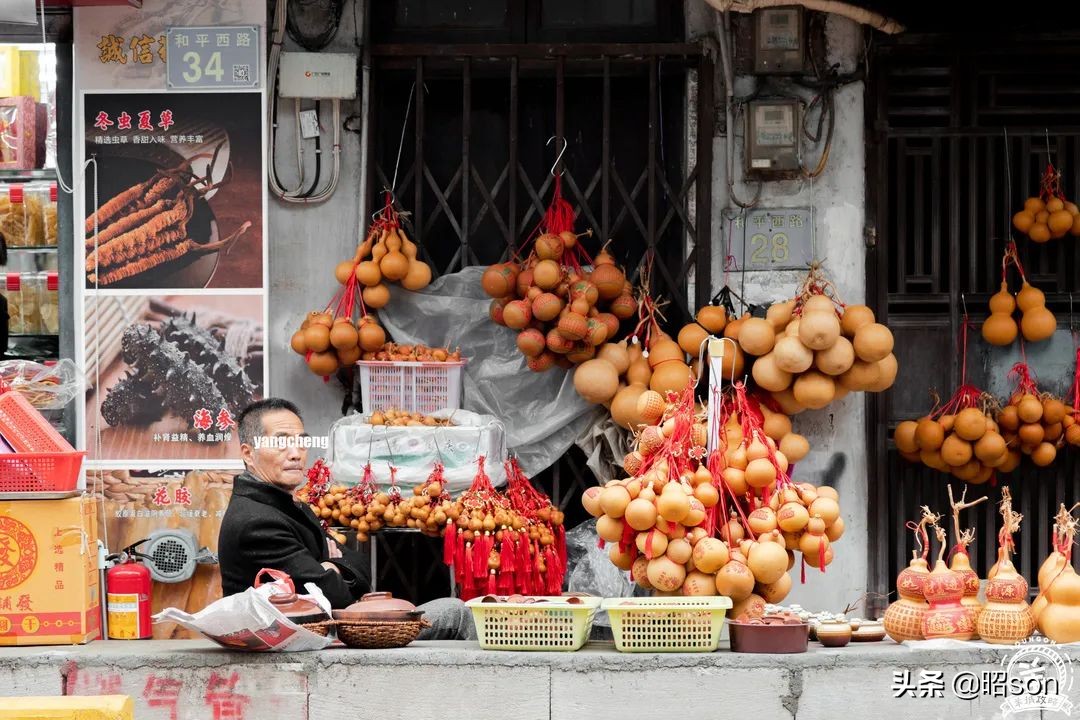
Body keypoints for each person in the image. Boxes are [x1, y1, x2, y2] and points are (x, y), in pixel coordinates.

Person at [218, 398, 475, 640]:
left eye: (301, 442)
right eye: (281, 443)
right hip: (316, 641)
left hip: (331, 631)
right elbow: (336, 596)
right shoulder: (256, 522)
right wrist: (332, 565)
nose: (296, 454)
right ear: (248, 454)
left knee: (456, 609)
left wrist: (330, 567)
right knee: (456, 613)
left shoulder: (286, 505)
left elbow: (359, 565)